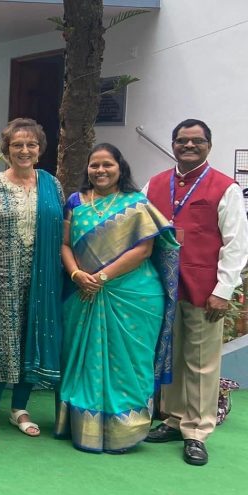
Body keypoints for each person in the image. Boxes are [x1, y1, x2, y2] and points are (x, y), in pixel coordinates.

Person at [55, 143, 179, 454]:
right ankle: (82, 428)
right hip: (82, 293)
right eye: (94, 165)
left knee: (130, 363)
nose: (100, 170)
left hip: (132, 296)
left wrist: (101, 277)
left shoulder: (136, 204)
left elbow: (144, 250)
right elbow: (65, 244)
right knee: (82, 360)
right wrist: (76, 275)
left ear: (120, 168)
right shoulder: (76, 202)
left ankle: (125, 431)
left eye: (107, 164)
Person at [144, 119, 248, 465]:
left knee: (202, 363)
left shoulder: (224, 187)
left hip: (205, 289)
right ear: (173, 144)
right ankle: (173, 420)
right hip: (162, 286)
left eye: (197, 141)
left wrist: (223, 289)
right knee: (172, 356)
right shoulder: (154, 184)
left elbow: (236, 244)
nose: (189, 146)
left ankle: (197, 431)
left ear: (209, 145)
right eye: (182, 141)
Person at [0, 118, 64, 437]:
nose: (24, 150)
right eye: (17, 145)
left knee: (31, 337)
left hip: (44, 277)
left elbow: (64, 230)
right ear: (6, 150)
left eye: (31, 145)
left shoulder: (52, 184)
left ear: (39, 150)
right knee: (3, 340)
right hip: (2, 276)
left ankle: (19, 408)